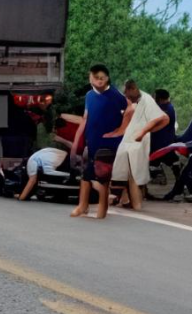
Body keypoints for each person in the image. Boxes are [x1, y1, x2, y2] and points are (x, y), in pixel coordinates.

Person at [70, 65, 129, 219]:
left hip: (108, 143)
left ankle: (102, 209)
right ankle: (83, 205)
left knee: (102, 176)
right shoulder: (89, 95)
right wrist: (76, 142)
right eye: (95, 77)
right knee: (86, 173)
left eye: (101, 77)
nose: (98, 80)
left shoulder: (116, 96)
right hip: (92, 141)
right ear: (90, 78)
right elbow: (85, 118)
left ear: (107, 78)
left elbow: (130, 112)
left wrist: (120, 131)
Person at [109, 80, 170, 210]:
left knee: (133, 175)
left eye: (126, 92)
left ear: (132, 89)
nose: (125, 95)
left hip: (136, 143)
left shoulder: (144, 102)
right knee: (127, 174)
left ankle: (136, 205)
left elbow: (163, 118)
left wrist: (145, 131)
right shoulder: (134, 104)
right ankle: (127, 201)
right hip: (128, 141)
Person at [150, 89, 177, 153]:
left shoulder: (166, 110)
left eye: (154, 97)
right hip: (164, 141)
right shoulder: (167, 107)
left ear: (160, 99)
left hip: (161, 144)